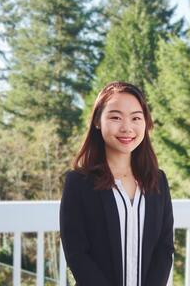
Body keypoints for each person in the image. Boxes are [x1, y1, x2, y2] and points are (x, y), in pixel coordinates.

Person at [59, 81, 174, 286]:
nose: (127, 128)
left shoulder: (158, 181)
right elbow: (77, 254)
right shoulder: (79, 183)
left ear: (145, 123)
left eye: (136, 118)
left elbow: (164, 248)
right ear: (97, 121)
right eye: (115, 117)